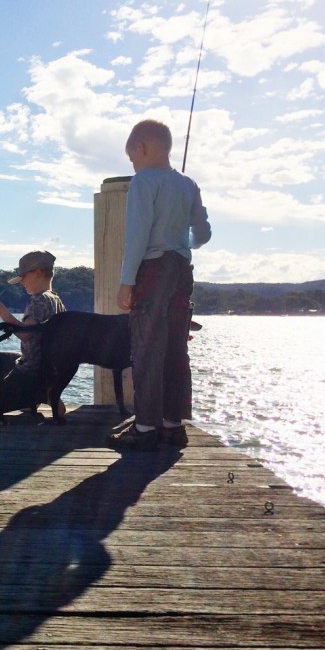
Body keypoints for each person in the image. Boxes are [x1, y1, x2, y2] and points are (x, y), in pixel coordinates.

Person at [108, 119, 211, 448]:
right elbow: (203, 233)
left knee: (147, 348)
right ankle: (172, 424)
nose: (132, 163)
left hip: (152, 271)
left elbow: (137, 236)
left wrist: (126, 282)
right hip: (182, 271)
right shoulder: (189, 185)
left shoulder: (143, 182)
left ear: (141, 147)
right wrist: (179, 241)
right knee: (175, 348)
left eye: (131, 156)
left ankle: (145, 428)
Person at [0, 250, 66, 417]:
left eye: (23, 277)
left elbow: (26, 334)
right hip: (48, 367)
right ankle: (32, 397)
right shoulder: (55, 299)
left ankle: (43, 395)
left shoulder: (39, 299)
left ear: (38, 273)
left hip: (33, 371)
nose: (21, 282)